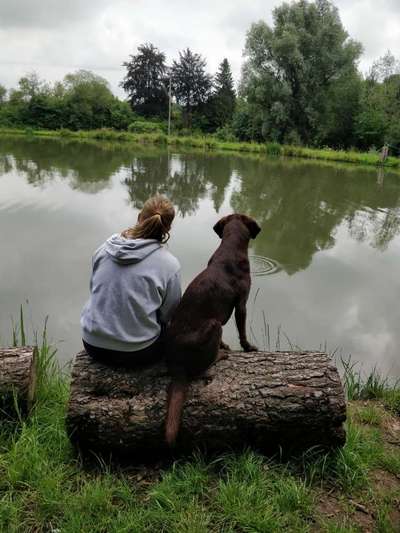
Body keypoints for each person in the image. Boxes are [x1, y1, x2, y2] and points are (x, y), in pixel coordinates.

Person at [80, 195, 181, 367]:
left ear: (139, 217)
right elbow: (169, 314)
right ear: (168, 228)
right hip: (138, 354)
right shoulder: (169, 265)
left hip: (92, 345)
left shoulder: (103, 249)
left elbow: (95, 289)